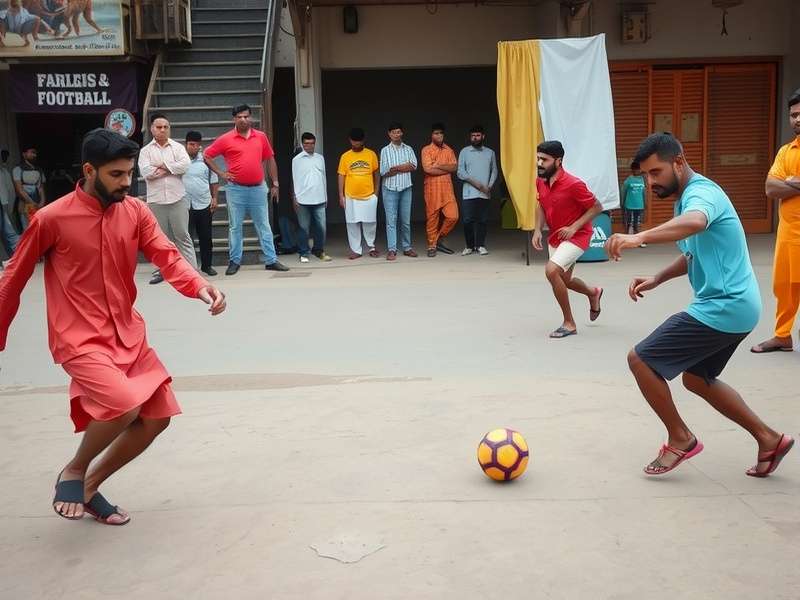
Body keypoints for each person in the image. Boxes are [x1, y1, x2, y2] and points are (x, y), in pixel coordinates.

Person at [0, 129, 226, 524]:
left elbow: (167, 256)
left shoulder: (136, 212)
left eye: (129, 175)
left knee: (157, 418)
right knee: (122, 404)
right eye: (117, 175)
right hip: (78, 338)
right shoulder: (51, 219)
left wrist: (200, 285)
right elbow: (13, 280)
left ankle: (88, 487)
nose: (126, 183)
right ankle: (74, 469)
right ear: (89, 170)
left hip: (128, 334)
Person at [605, 132, 793, 478]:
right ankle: (770, 439)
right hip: (738, 306)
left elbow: (696, 222)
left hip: (724, 305)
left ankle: (681, 438)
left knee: (641, 360)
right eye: (645, 175)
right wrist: (657, 278)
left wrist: (639, 236)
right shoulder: (686, 197)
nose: (650, 182)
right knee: (696, 378)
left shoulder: (701, 194)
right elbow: (693, 253)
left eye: (656, 172)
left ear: (679, 161)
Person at [204, 104, 289, 275]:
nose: (243, 119)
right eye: (239, 117)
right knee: (235, 227)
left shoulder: (261, 137)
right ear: (234, 119)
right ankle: (235, 261)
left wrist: (276, 183)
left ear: (251, 117)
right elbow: (207, 155)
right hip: (236, 190)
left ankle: (271, 260)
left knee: (264, 225)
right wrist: (221, 173)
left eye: (246, 116)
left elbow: (270, 159)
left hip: (258, 188)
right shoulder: (226, 139)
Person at [532, 141, 604, 339]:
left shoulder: (574, 184)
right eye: (538, 158)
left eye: (544, 160)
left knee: (551, 271)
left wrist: (574, 227)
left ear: (558, 160)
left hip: (577, 236)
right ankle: (593, 292)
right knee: (565, 280)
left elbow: (597, 207)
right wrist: (538, 229)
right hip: (556, 236)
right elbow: (541, 205)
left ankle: (569, 323)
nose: (539, 163)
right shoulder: (541, 181)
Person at [751, 88, 800, 354]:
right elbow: (771, 188)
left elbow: (781, 186)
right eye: (793, 115)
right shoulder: (786, 151)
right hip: (789, 234)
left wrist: (792, 183)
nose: (797, 119)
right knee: (784, 287)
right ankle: (782, 336)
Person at [138, 113, 197, 284]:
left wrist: (161, 167)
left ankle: (192, 270)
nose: (162, 130)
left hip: (177, 198)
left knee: (182, 235)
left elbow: (185, 165)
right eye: (159, 127)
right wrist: (172, 168)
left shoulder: (178, 148)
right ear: (152, 129)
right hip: (156, 201)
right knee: (160, 239)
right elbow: (147, 173)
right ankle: (162, 270)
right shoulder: (145, 151)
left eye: (165, 127)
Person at [337, 128, 380, 260]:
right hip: (350, 196)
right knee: (352, 223)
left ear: (363, 140)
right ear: (350, 140)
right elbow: (341, 175)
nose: (356, 144)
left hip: (369, 195)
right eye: (354, 141)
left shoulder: (371, 154)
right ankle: (356, 250)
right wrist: (340, 195)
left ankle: (371, 246)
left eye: (359, 141)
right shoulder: (345, 156)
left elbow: (377, 174)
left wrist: (376, 193)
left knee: (370, 222)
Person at [379, 122, 418, 261]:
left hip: (406, 187)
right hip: (389, 189)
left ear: (402, 133)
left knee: (406, 220)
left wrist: (395, 168)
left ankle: (407, 248)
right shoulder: (385, 150)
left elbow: (413, 166)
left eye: (398, 132)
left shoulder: (408, 149)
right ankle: (392, 249)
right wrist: (403, 167)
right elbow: (384, 172)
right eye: (393, 132)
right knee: (391, 221)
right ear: (389, 134)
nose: (396, 134)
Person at [183, 130, 219, 277]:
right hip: (184, 204)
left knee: (206, 237)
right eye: (191, 144)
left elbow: (214, 180)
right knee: (186, 238)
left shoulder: (206, 160)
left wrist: (215, 198)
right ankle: (188, 268)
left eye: (197, 145)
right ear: (185, 144)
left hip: (204, 203)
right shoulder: (179, 160)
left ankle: (207, 266)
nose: (194, 147)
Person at [457, 125, 497, 256]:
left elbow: (494, 171)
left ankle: (480, 245)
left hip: (484, 193)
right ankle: (469, 246)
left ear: (483, 136)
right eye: (473, 136)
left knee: (482, 220)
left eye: (478, 135)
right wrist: (477, 184)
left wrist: (489, 186)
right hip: (469, 192)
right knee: (468, 220)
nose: (475, 138)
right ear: (470, 137)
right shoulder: (464, 152)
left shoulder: (490, 153)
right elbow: (460, 172)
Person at [291, 132, 331, 262]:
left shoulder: (320, 158)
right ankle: (303, 253)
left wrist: (326, 196)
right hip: (302, 199)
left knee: (321, 227)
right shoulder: (296, 160)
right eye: (306, 144)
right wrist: (294, 197)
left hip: (319, 198)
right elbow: (293, 179)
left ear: (315, 143)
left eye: (312, 143)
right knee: (303, 227)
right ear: (302, 144)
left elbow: (323, 177)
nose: (309, 146)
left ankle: (318, 250)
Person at [420, 123, 458, 257]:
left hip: (447, 189)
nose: (439, 135)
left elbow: (454, 168)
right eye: (436, 133)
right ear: (431, 135)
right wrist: (446, 168)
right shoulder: (426, 150)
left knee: (453, 217)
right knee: (432, 218)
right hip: (432, 189)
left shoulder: (449, 150)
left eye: (441, 133)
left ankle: (436, 240)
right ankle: (432, 246)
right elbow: (428, 169)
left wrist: (439, 165)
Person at [12, 146, 46, 232]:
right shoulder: (18, 169)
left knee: (38, 227)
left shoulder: (39, 170)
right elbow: (19, 190)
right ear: (24, 154)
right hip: (26, 203)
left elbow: (40, 188)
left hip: (37, 202)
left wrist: (42, 202)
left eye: (35, 153)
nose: (34, 155)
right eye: (31, 152)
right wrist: (32, 203)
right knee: (28, 228)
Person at [0, 149, 19, 263]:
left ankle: (17, 256)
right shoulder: (5, 172)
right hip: (5, 203)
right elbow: (11, 190)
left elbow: (11, 190)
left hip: (4, 204)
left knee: (9, 231)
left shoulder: (4, 172)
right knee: (9, 231)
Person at [621, 160, 646, 242]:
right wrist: (622, 203)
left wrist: (645, 203)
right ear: (632, 170)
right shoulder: (629, 180)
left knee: (637, 224)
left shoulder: (642, 179)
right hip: (629, 206)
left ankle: (638, 241)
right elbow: (623, 192)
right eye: (635, 170)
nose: (637, 171)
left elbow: (644, 192)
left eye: (638, 169)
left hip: (639, 205)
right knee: (628, 223)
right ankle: (626, 240)